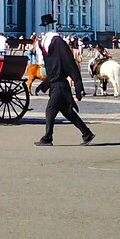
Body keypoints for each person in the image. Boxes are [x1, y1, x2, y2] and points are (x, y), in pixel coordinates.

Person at [33, 14, 94, 146]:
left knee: (50, 110)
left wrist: (78, 84)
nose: (45, 30)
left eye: (47, 26)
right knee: (68, 112)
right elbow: (53, 68)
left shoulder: (58, 42)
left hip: (60, 85)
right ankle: (87, 133)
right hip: (56, 84)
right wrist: (45, 84)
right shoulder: (47, 43)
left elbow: (69, 63)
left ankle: (47, 138)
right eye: (44, 27)